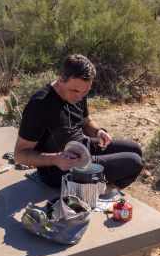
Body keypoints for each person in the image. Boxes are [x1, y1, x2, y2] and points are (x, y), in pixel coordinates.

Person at [14, 54, 143, 191]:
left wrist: (98, 132)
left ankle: (95, 189)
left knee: (135, 148)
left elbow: (86, 122)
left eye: (86, 91)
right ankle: (89, 193)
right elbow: (20, 155)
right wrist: (56, 159)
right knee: (134, 162)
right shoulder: (40, 105)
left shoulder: (79, 91)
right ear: (61, 79)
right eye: (74, 90)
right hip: (59, 168)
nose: (80, 96)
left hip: (82, 148)